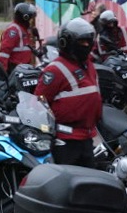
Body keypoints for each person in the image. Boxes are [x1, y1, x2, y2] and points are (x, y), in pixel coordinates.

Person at [38, 17, 102, 166]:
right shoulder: (54, 70)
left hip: (86, 137)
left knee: (89, 183)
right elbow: (39, 103)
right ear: (66, 42)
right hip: (66, 141)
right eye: (82, 42)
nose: (87, 46)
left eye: (89, 42)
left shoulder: (88, 66)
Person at [0, 2, 41, 72]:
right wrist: (2, 72)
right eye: (31, 18)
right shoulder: (14, 30)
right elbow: (4, 52)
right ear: (25, 18)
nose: (31, 21)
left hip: (23, 68)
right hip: (14, 69)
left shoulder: (24, 29)